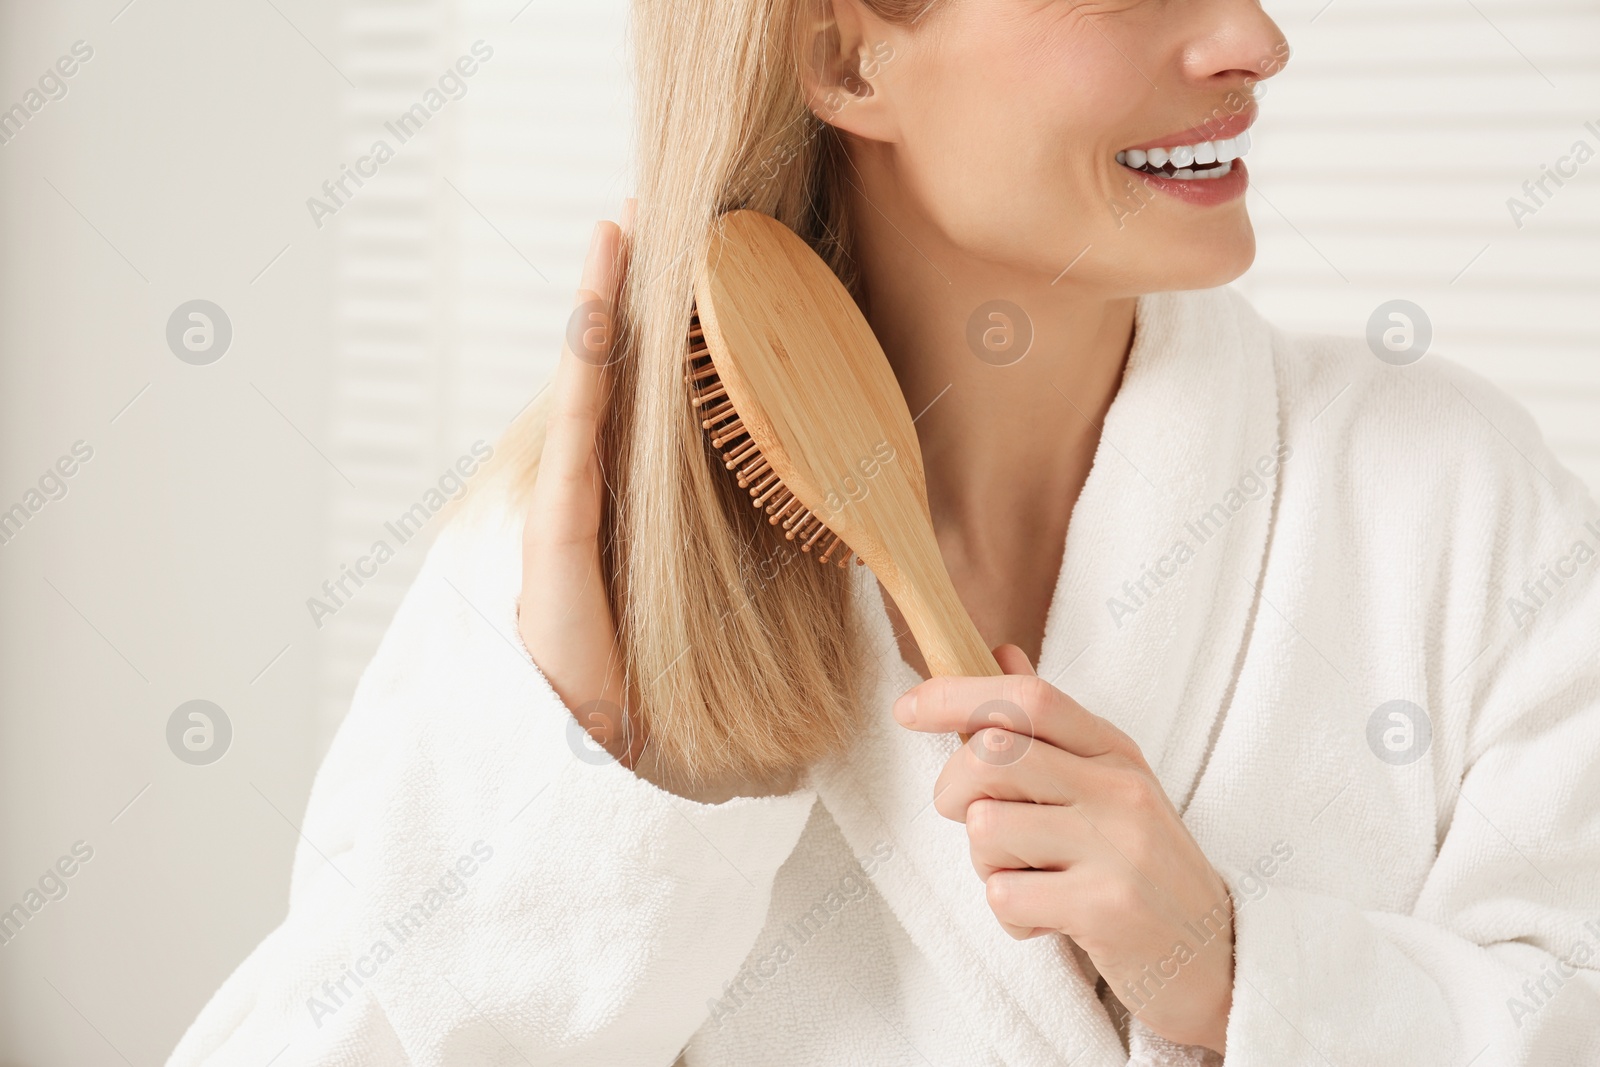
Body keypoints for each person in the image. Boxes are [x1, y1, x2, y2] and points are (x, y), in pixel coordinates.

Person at [169, 1, 1600, 1064]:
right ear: (848, 55)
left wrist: (1235, 974)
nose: (1253, 39)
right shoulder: (580, 578)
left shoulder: (1450, 494)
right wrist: (589, 805)